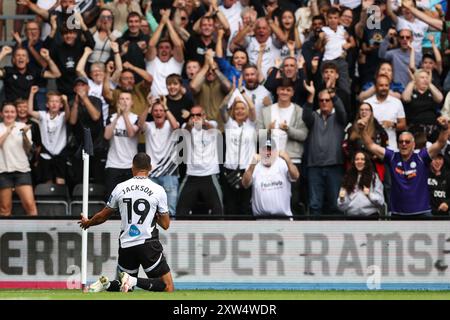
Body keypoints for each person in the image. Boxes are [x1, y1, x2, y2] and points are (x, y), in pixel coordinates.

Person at [79, 152, 174, 293]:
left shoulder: (120, 187)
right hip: (147, 243)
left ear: (132, 168)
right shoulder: (158, 190)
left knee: (126, 288)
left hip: (126, 244)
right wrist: (155, 215)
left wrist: (88, 223)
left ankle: (104, 285)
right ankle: (132, 280)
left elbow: (103, 216)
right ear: (150, 168)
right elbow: (166, 225)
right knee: (167, 286)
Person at [359, 115, 450, 217]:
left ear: (413, 145)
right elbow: (370, 145)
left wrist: (445, 128)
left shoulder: (421, 157)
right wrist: (362, 130)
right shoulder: (392, 157)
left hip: (422, 212)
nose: (404, 144)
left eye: (407, 142)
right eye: (401, 141)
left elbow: (440, 143)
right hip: (398, 212)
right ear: (398, 144)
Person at [302, 80, 347, 216]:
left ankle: (338, 236)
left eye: (328, 100)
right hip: (314, 166)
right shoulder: (314, 117)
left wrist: (333, 95)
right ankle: (314, 235)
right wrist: (311, 96)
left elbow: (342, 111)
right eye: (321, 100)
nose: (324, 103)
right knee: (315, 204)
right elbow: (305, 116)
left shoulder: (339, 118)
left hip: (335, 165)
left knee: (336, 204)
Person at [138, 96, 180, 217]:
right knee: (148, 211)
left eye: (161, 111)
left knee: (170, 211)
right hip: (151, 174)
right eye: (156, 110)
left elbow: (176, 127)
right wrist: (148, 106)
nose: (158, 113)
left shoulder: (170, 124)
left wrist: (165, 107)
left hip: (169, 173)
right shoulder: (149, 125)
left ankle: (170, 235)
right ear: (152, 112)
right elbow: (140, 124)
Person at [242, 139, 300, 219]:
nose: (267, 154)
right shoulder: (254, 165)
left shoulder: (283, 163)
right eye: (264, 150)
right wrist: (252, 165)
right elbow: (245, 184)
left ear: (276, 152)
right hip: (261, 219)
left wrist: (288, 160)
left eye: (270, 150)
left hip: (283, 219)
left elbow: (295, 176)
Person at [0, 102, 37, 216]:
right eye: (6, 112)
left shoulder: (23, 127)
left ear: (16, 114)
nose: (9, 114)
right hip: (3, 172)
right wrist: (9, 130)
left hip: (22, 170)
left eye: (12, 112)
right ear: (1, 114)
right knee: (5, 209)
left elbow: (28, 149)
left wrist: (25, 135)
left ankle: (34, 233)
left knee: (30, 206)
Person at [104, 91, 140, 199]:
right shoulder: (111, 117)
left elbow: (131, 133)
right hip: (113, 164)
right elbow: (106, 136)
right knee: (112, 199)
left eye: (127, 99)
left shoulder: (136, 118)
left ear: (132, 103)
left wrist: (124, 115)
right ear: (118, 102)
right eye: (122, 99)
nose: (124, 101)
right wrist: (118, 116)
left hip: (130, 165)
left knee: (129, 198)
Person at [337, 151, 385, 217]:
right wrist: (342, 199)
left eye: (362, 159)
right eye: (357, 159)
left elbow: (381, 202)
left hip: (371, 216)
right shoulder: (347, 178)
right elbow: (342, 208)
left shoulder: (374, 177)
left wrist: (369, 195)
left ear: (366, 162)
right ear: (353, 162)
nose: (359, 161)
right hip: (352, 217)